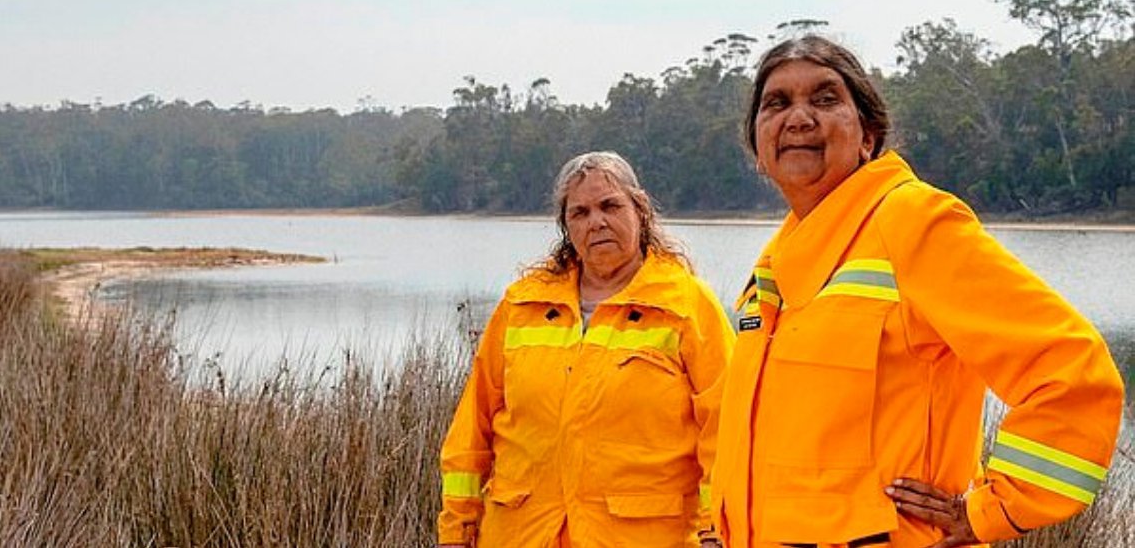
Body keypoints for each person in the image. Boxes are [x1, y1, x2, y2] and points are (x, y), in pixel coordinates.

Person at [709, 35, 1125, 547]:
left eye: (825, 98)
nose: (798, 118)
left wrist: (993, 510)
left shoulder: (914, 223)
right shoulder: (773, 268)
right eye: (777, 103)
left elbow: (1074, 374)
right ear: (758, 149)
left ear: (868, 135)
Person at [437, 151, 736, 547]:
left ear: (640, 210)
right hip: (522, 535)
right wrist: (456, 530)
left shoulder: (685, 305)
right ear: (566, 226)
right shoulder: (522, 305)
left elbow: (728, 430)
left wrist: (715, 531)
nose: (596, 222)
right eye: (579, 213)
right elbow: (471, 432)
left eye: (610, 206)